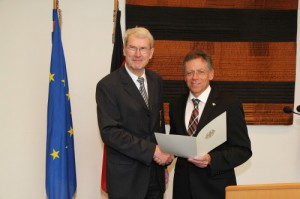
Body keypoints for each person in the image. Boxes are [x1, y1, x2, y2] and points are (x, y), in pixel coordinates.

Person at [96, 27, 174, 199]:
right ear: (124, 50)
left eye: (143, 48)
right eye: (132, 48)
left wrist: (164, 163)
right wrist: (153, 151)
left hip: (155, 176)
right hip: (126, 179)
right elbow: (110, 133)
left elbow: (157, 125)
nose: (138, 54)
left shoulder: (157, 81)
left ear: (151, 53)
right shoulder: (108, 86)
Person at [169, 50, 252, 199]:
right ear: (184, 77)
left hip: (215, 190)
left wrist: (211, 159)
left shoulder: (229, 104)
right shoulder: (176, 105)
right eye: (189, 73)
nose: (195, 77)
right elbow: (176, 143)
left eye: (200, 72)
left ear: (211, 74)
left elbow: (243, 150)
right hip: (183, 189)